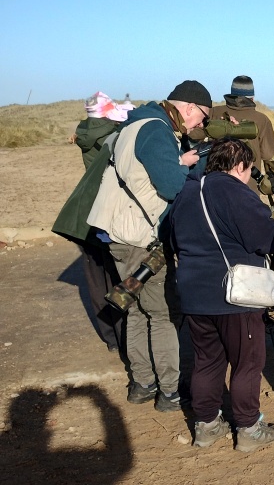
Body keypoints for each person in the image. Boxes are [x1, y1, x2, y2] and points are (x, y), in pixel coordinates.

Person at [87, 80, 211, 412]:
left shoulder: (140, 122)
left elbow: (149, 171)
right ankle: (170, 391)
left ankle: (142, 384)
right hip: (140, 236)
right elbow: (172, 188)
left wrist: (180, 160)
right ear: (188, 108)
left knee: (137, 311)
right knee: (163, 315)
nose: (200, 125)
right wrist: (191, 166)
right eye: (202, 118)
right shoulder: (157, 130)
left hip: (120, 233)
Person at [167, 138, 274, 451]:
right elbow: (262, 238)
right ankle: (248, 428)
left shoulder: (187, 191)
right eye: (248, 170)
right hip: (234, 296)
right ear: (241, 166)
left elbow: (173, 238)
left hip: (193, 292)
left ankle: (206, 425)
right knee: (248, 362)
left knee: (206, 360)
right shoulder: (233, 190)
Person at [72, 92, 134, 353]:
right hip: (110, 208)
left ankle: (111, 338)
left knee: (97, 279)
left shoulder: (83, 131)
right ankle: (127, 337)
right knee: (120, 275)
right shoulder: (115, 133)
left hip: (86, 209)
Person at [210, 75, 274, 189]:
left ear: (232, 93)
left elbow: (196, 136)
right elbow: (268, 154)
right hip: (249, 185)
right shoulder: (261, 119)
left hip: (216, 182)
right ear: (252, 97)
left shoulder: (214, 112)